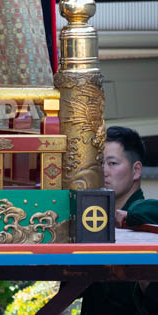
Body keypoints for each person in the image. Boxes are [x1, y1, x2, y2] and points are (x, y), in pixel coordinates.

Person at [80, 126, 158, 314]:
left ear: (136, 170)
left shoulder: (144, 216)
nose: (103, 171)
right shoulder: (94, 220)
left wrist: (130, 215)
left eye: (112, 163)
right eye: (99, 163)